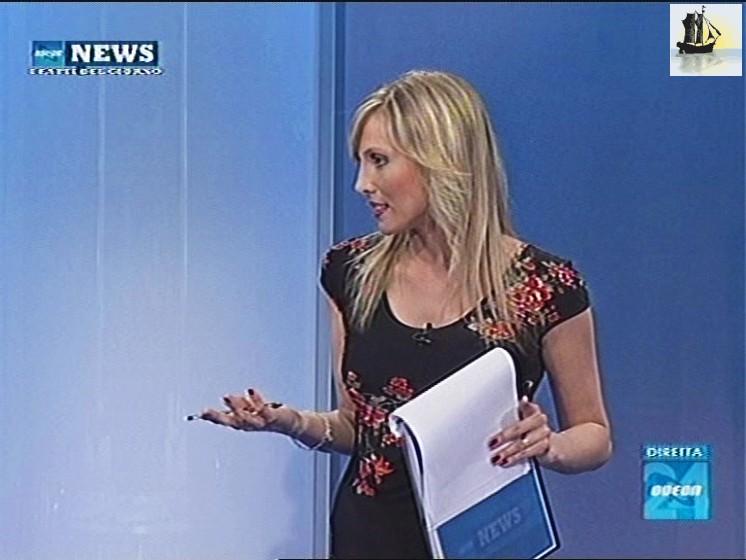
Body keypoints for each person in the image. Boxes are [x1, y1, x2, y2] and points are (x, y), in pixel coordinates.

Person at [199, 69, 612, 559]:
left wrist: (548, 445)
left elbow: (594, 434)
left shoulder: (545, 286)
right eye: (361, 162)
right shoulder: (349, 272)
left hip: (484, 540)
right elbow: (357, 428)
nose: (362, 184)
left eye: (379, 161)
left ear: (442, 160)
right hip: (367, 538)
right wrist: (288, 421)